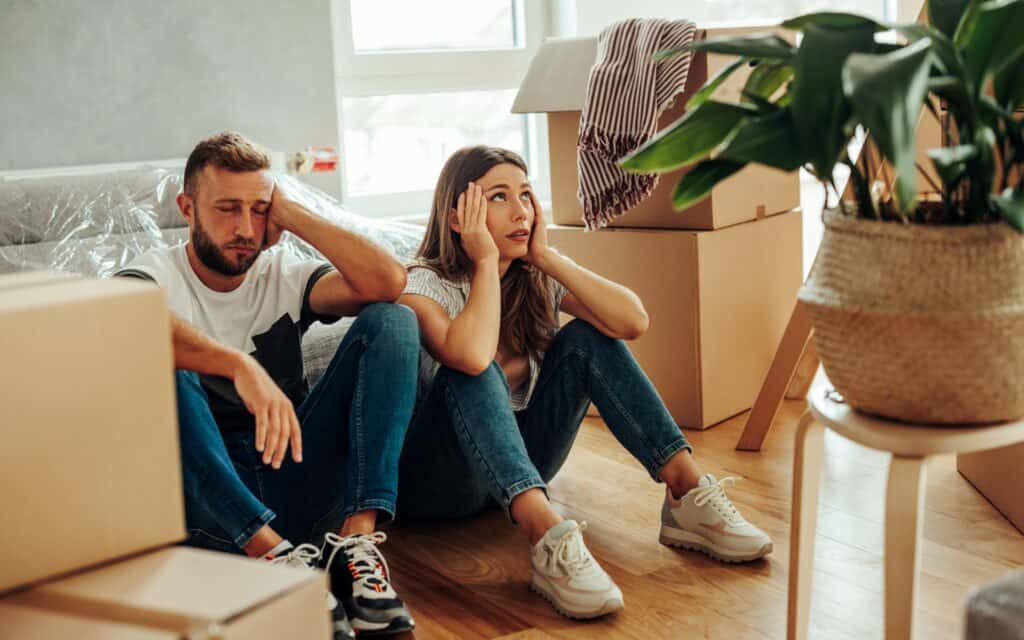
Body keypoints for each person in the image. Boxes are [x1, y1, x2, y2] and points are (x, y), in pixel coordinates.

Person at [396, 145, 773, 620]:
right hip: (438, 486)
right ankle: (549, 538)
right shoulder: (422, 284)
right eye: (498, 197)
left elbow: (632, 321)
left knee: (587, 336)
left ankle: (686, 492)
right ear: (458, 218)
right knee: (474, 368)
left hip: (525, 466)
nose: (521, 212)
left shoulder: (534, 278)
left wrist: (548, 258)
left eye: (526, 195)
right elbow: (470, 356)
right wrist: (486, 263)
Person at [116, 132, 419, 638]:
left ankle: (355, 544)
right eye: (227, 209)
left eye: (258, 210)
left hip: (291, 472)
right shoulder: (155, 275)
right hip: (208, 499)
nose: (245, 228)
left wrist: (293, 212)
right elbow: (124, 322)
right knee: (161, 360)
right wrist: (239, 365)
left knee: (395, 321)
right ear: (187, 208)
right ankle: (272, 560)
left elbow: (387, 282)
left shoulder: (282, 273)